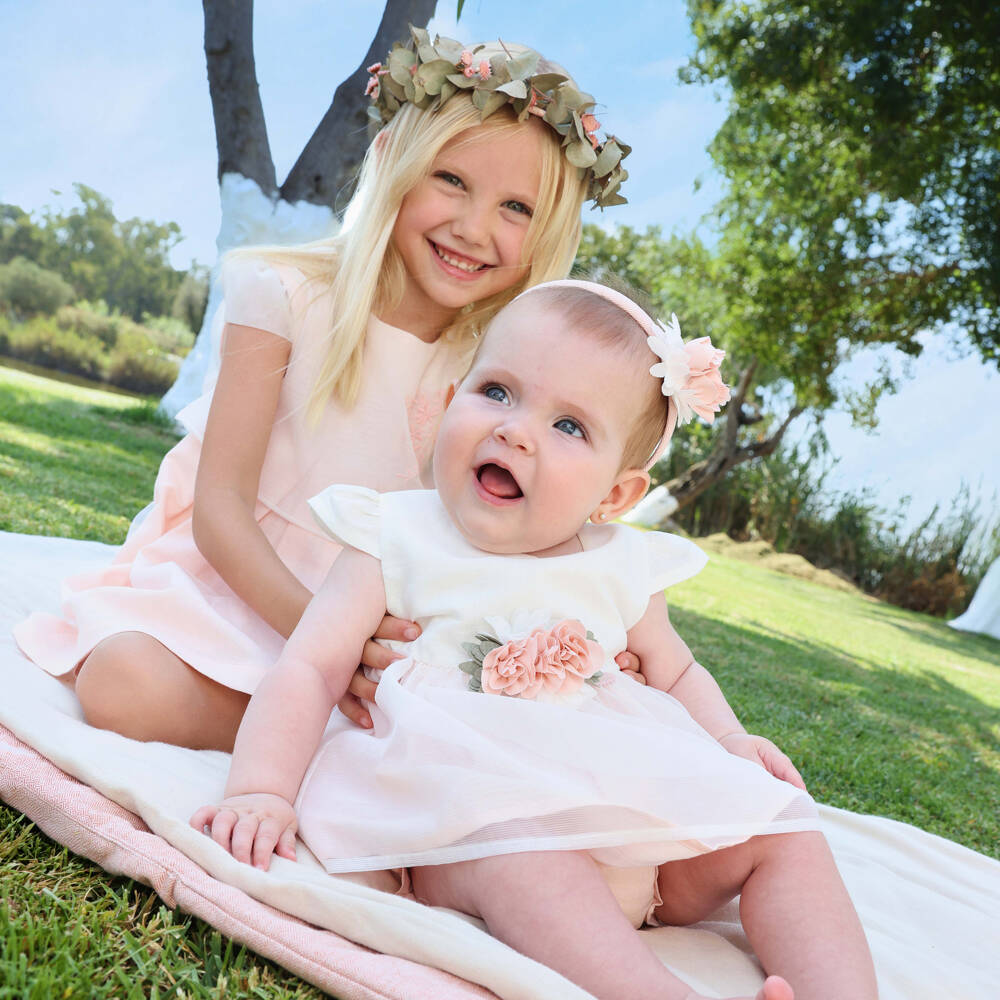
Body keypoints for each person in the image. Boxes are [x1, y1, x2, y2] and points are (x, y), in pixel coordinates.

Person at [191, 280, 879, 1000]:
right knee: (520, 854)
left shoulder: (622, 566)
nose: (515, 430)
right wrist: (263, 790)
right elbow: (307, 668)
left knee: (784, 827)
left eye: (570, 427)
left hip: (634, 832)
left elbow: (677, 676)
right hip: (466, 822)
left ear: (615, 496)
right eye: (497, 392)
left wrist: (732, 743)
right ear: (449, 403)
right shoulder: (393, 538)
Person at [13, 29, 634, 751]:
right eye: (452, 181)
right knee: (125, 682)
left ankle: (343, 727)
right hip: (238, 583)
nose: (473, 228)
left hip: (378, 611)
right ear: (390, 162)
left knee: (531, 720)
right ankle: (323, 735)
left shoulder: (499, 366)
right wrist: (327, 644)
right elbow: (219, 509)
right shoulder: (284, 294)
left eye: (516, 209)